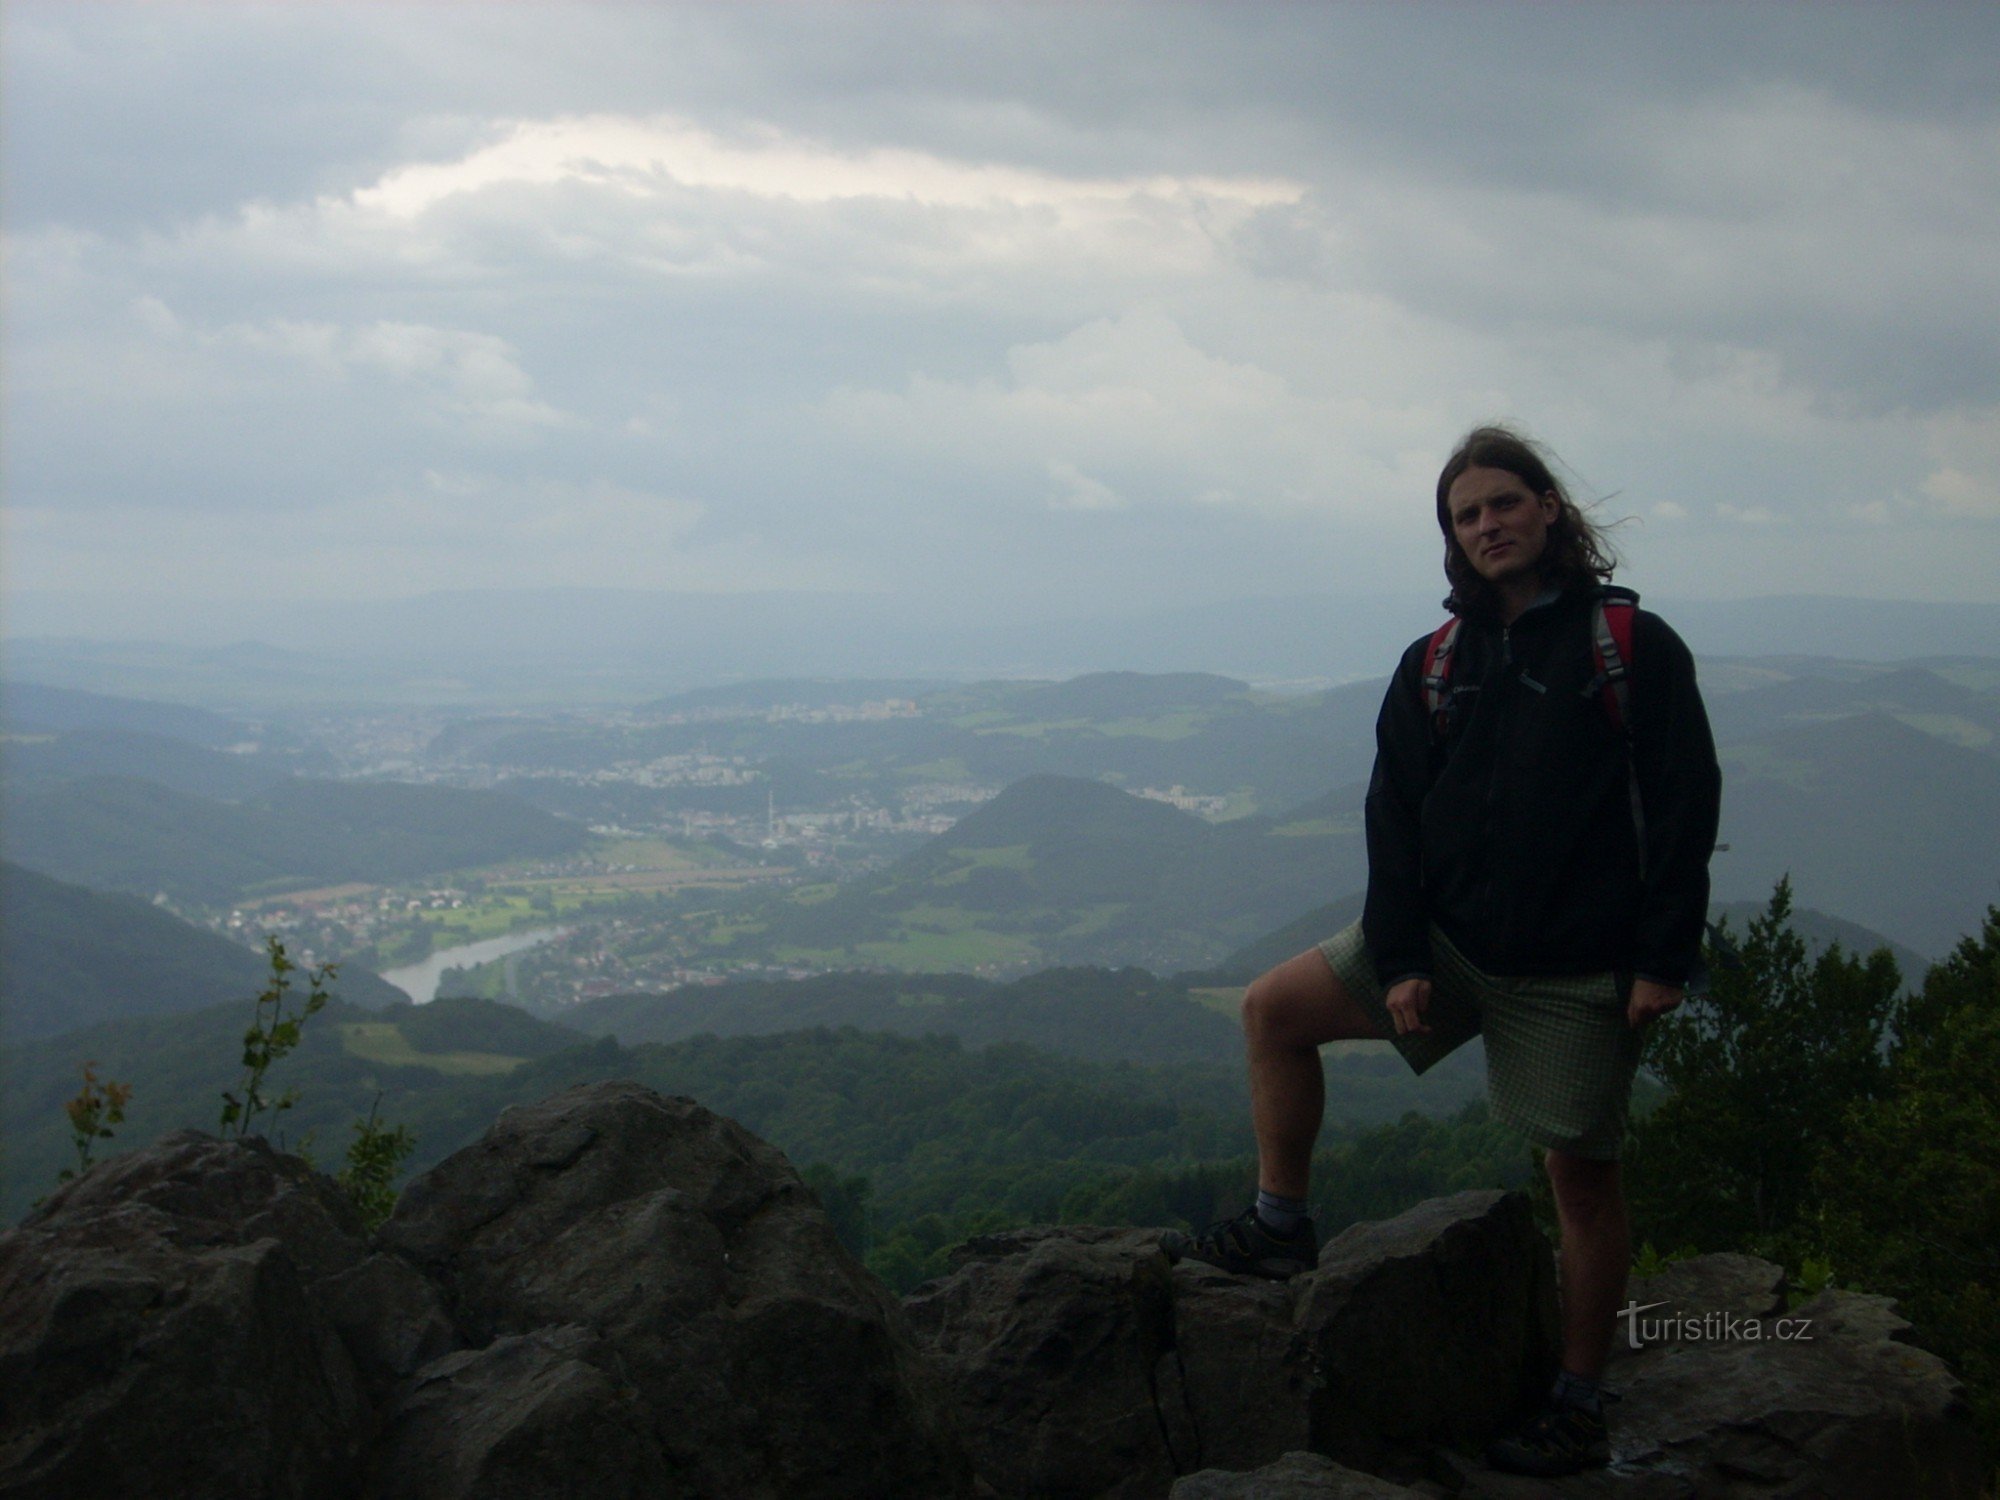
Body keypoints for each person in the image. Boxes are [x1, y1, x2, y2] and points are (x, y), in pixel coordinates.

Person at [1160, 425, 1722, 1477]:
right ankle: (1281, 1221)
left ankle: (1576, 1398)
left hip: (1573, 967)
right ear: (1451, 539)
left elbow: (1683, 808)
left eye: (1502, 503)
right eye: (1465, 516)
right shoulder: (1433, 664)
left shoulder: (1626, 646)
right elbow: (1395, 820)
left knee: (1580, 1178)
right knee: (1271, 1012)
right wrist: (1402, 956)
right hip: (1448, 945)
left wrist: (1660, 959)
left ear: (1547, 509)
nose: (1486, 526)